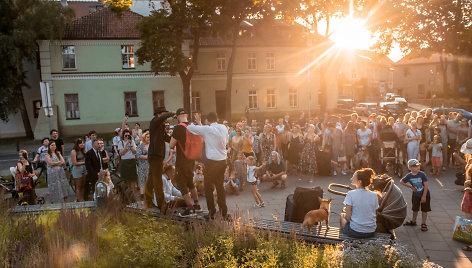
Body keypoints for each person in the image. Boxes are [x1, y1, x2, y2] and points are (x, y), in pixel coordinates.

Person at [187, 112, 230, 220]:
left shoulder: (207, 129)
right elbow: (226, 140)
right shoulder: (224, 127)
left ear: (208, 121)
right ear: (217, 119)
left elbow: (190, 128)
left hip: (212, 162)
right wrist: (201, 123)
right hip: (223, 161)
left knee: (208, 188)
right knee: (220, 187)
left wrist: (196, 121)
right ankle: (224, 212)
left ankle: (211, 212)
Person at [169, 108, 201, 217]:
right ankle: (197, 205)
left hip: (182, 161)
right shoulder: (192, 126)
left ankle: (191, 209)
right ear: (187, 115)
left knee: (182, 184)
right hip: (192, 159)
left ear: (178, 117)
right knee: (190, 182)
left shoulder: (178, 128)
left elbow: (171, 145)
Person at [145, 107, 175, 212]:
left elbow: (166, 138)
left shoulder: (160, 125)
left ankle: (148, 202)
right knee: (157, 181)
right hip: (155, 156)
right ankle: (162, 205)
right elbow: (161, 119)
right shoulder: (154, 122)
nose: (165, 116)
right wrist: (171, 113)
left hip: (157, 156)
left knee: (150, 181)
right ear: (158, 114)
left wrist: (175, 140)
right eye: (163, 114)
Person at [339, 168, 378, 238]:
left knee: (342, 215)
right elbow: (375, 214)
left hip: (356, 232)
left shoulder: (350, 194)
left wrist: (350, 218)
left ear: (359, 181)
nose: (351, 179)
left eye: (353, 177)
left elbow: (348, 217)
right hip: (371, 231)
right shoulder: (374, 195)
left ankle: (342, 238)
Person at [401, 159, 431, 232]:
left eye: (418, 166)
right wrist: (411, 187)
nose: (417, 167)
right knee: (415, 209)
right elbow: (401, 181)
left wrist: (424, 196)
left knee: (424, 209)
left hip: (425, 194)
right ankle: (413, 221)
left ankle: (423, 223)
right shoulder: (409, 176)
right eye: (414, 166)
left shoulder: (422, 174)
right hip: (416, 195)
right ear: (410, 168)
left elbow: (426, 185)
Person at [118, 129, 138, 195]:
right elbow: (122, 153)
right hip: (125, 162)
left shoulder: (132, 141)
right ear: (123, 136)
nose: (127, 137)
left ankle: (134, 194)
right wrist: (126, 144)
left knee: (133, 179)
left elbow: (135, 152)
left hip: (132, 161)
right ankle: (128, 195)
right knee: (126, 180)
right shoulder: (121, 142)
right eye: (125, 135)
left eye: (128, 135)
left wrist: (131, 145)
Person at [136, 133, 150, 198]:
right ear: (144, 138)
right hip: (142, 166)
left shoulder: (152, 145)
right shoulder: (140, 146)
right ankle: (142, 196)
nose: (149, 138)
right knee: (142, 181)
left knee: (149, 181)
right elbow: (138, 155)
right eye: (147, 137)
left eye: (150, 137)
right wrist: (148, 157)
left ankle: (149, 195)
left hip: (150, 166)